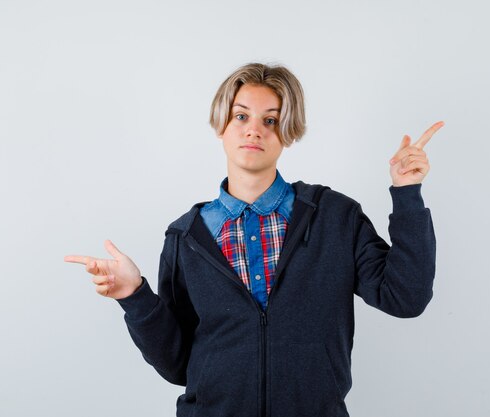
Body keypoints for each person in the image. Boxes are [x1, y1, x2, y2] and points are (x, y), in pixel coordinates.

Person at [64, 62, 443, 417]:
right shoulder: (185, 236)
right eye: (241, 115)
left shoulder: (335, 217)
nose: (254, 129)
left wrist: (407, 193)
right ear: (221, 126)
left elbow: (405, 297)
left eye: (271, 120)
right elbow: (178, 364)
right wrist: (135, 296)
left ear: (288, 132)